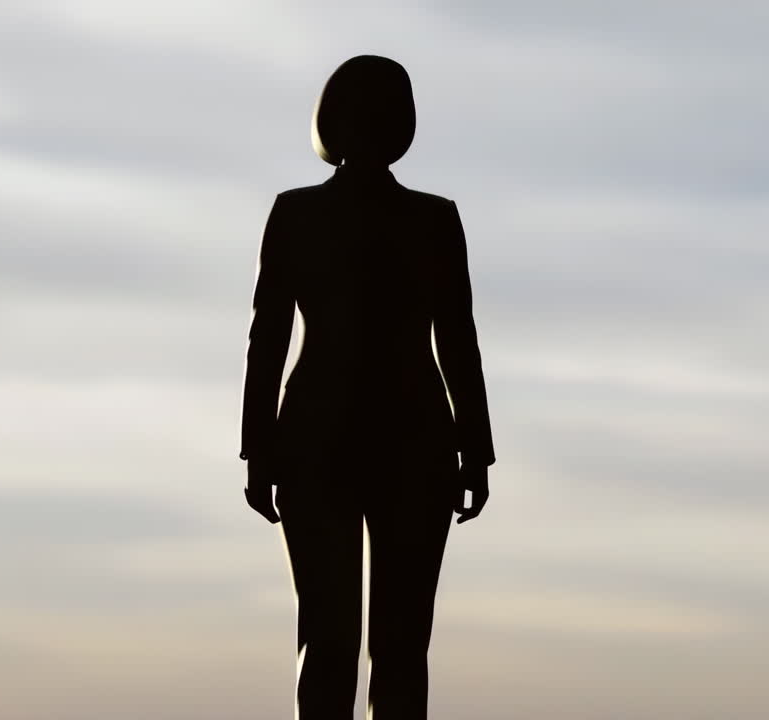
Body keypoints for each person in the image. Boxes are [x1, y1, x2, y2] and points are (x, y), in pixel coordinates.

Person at [239, 54, 496, 719]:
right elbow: (457, 342)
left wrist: (476, 450)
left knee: (365, 644)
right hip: (370, 440)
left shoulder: (312, 215)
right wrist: (257, 450)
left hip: (358, 440)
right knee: (366, 645)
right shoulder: (425, 219)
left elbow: (457, 339)